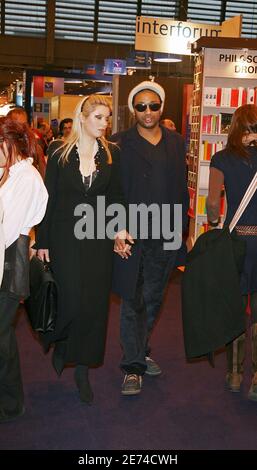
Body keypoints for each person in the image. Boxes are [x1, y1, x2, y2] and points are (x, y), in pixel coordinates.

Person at [35, 95, 126, 405]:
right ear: (83, 117)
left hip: (97, 238)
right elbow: (49, 198)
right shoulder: (59, 151)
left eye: (107, 117)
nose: (105, 123)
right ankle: (62, 344)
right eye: (99, 117)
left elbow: (116, 197)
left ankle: (82, 369)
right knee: (70, 297)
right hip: (63, 237)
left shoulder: (111, 154)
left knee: (95, 304)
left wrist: (120, 228)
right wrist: (42, 240)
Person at [111, 81, 189, 396]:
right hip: (131, 233)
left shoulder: (176, 142)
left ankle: (140, 351)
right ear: (133, 109)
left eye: (153, 106)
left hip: (166, 233)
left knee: (153, 299)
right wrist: (115, 229)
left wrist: (181, 233)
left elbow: (181, 189)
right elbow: (113, 191)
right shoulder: (118, 143)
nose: (147, 112)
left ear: (161, 108)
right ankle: (132, 366)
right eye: (141, 106)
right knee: (133, 298)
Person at [207, 104, 257, 401]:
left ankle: (236, 374)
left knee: (235, 308)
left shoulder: (221, 158)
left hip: (235, 241)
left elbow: (213, 205)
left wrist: (214, 222)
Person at [0, 117, 48, 423]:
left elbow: (9, 231)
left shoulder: (27, 177)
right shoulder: (6, 173)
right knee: (2, 337)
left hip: (10, 263)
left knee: (1, 335)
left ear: (11, 144)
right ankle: (11, 401)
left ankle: (11, 403)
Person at [7, 107, 46, 179]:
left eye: (24, 124)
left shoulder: (35, 147)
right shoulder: (4, 147)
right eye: (17, 124)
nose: (22, 128)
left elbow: (43, 172)